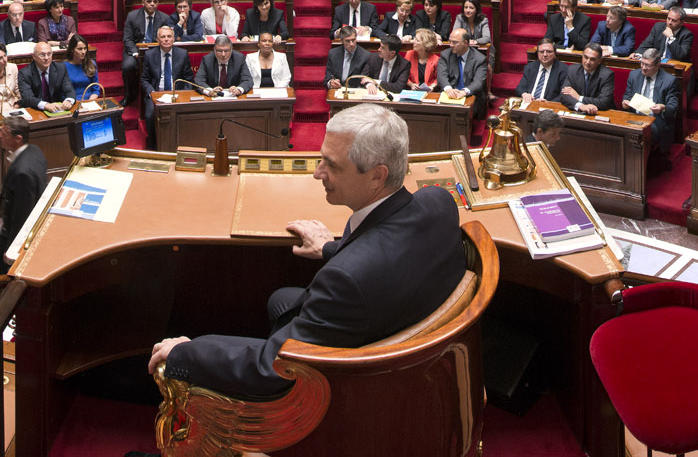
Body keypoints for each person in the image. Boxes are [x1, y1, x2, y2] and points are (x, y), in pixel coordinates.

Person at [152, 105, 465, 399]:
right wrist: (331, 248)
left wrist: (186, 352)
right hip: (403, 329)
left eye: (332, 165)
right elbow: (392, 250)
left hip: (355, 389)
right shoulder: (438, 201)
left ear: (377, 175)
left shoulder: (345, 280)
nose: (317, 173)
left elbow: (271, 368)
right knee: (281, 300)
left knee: (272, 309)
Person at [0, 113, 50, 314]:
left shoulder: (22, 172)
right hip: (17, 220)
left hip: (14, 228)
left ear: (18, 139)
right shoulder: (34, 151)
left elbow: (22, 214)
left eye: (4, 134)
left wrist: (13, 248)